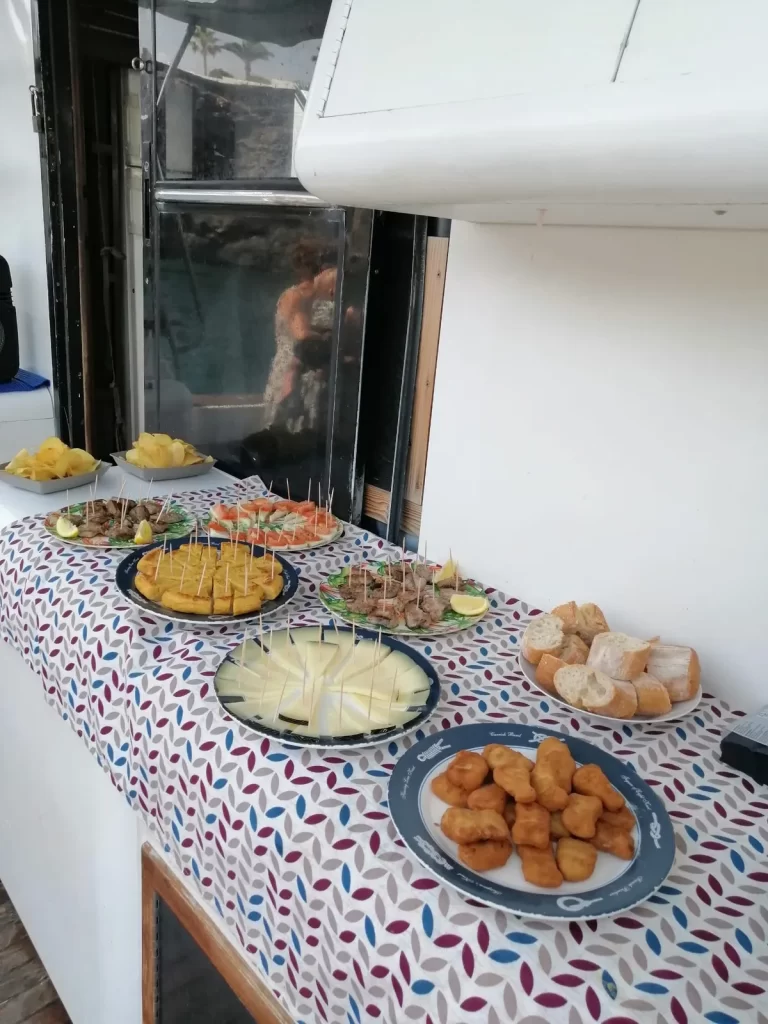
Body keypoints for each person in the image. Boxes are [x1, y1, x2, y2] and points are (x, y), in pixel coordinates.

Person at [262, 243, 337, 433]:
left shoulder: (311, 299)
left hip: (304, 374)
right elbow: (301, 334)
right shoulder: (297, 297)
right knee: (290, 432)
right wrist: (330, 336)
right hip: (296, 374)